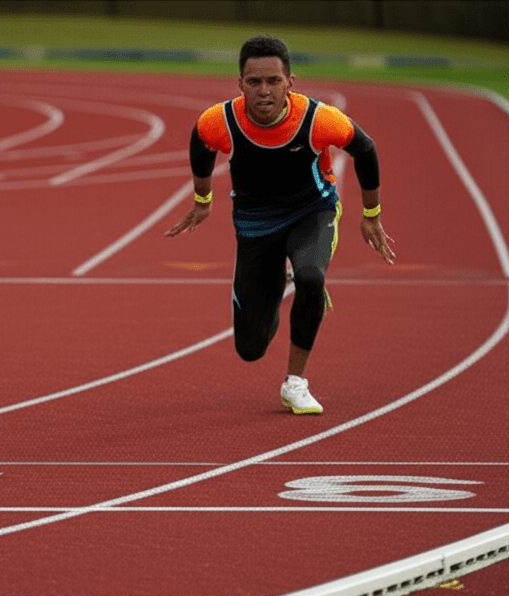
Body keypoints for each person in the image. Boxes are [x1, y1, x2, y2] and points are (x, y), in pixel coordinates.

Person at [166, 34, 394, 415]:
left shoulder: (318, 119)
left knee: (311, 276)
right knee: (250, 348)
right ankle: (277, 283)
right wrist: (203, 201)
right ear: (239, 85)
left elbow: (365, 149)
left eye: (273, 80)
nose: (264, 91)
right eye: (254, 82)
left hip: (313, 212)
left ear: (290, 83)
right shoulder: (220, 121)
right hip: (255, 225)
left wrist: (371, 215)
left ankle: (295, 382)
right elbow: (200, 143)